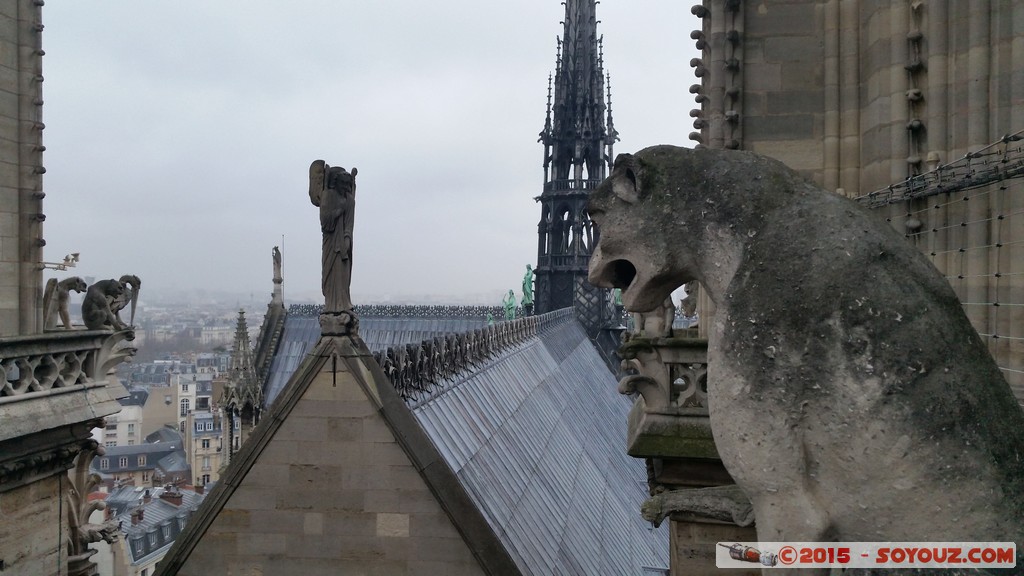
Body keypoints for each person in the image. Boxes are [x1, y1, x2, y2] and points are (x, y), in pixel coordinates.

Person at [309, 161, 357, 313]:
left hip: (343, 245)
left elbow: (349, 223)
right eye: (343, 185)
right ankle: (331, 305)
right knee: (330, 275)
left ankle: (343, 304)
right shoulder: (328, 196)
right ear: (337, 183)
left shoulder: (350, 200)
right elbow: (325, 223)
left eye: (347, 185)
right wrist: (338, 211)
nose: (345, 188)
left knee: (343, 277)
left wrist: (347, 239)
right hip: (331, 243)